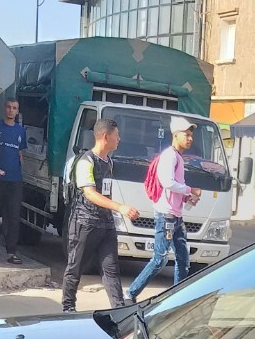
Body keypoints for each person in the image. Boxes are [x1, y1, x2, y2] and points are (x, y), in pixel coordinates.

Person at [61, 117, 138, 313]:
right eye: (116, 135)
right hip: (85, 223)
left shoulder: (109, 161)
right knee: (75, 267)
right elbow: (90, 193)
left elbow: (106, 191)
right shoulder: (86, 161)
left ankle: (119, 310)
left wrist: (114, 212)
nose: (119, 139)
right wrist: (119, 207)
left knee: (111, 269)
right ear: (105, 136)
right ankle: (68, 307)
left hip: (106, 224)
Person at [128, 116, 202, 300]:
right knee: (160, 259)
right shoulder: (169, 156)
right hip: (166, 216)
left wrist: (187, 198)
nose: (190, 138)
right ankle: (130, 293)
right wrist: (190, 190)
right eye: (186, 134)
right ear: (175, 135)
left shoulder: (177, 157)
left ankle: (177, 297)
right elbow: (167, 183)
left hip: (175, 217)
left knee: (183, 260)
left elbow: (175, 185)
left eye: (191, 134)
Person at [0, 97, 27, 264]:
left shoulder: (20, 131)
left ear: (17, 111)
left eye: (14, 108)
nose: (11, 110)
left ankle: (11, 252)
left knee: (13, 216)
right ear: (4, 109)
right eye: (9, 107)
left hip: (15, 180)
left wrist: (21, 172)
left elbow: (20, 153)